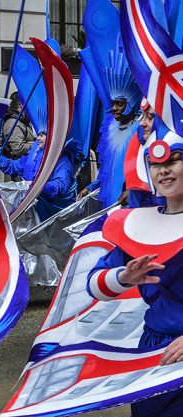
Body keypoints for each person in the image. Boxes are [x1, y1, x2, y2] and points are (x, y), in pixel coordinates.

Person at [87, 131, 183, 417]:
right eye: (154, 164)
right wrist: (124, 278)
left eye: (176, 160)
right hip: (154, 349)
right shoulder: (138, 224)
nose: (163, 169)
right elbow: (94, 284)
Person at [76, 37, 141, 207]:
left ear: (132, 103)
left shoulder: (142, 130)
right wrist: (91, 187)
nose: (114, 108)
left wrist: (135, 191)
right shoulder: (110, 128)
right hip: (110, 204)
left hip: (132, 204)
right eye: (112, 103)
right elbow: (106, 170)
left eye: (119, 103)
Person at [0, 132, 76, 222]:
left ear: (52, 137)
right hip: (31, 211)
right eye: (38, 135)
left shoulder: (62, 161)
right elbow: (14, 166)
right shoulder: (35, 153)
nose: (38, 138)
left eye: (42, 135)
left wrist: (37, 185)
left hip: (50, 216)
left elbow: (60, 186)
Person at [1, 91, 34, 160]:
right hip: (16, 165)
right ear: (22, 105)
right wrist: (36, 144)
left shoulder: (22, 120)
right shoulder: (13, 124)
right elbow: (18, 149)